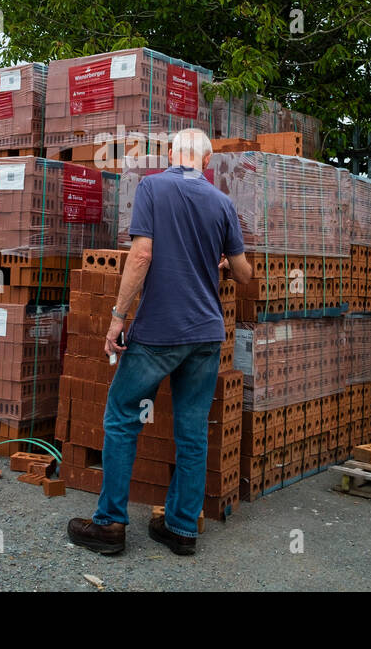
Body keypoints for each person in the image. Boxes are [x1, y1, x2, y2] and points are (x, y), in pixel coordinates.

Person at [67, 127, 253, 556]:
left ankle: (110, 524)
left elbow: (142, 255)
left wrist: (117, 318)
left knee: (121, 416)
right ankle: (181, 529)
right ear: (206, 162)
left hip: (159, 332)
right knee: (192, 432)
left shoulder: (152, 187)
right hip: (206, 334)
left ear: (172, 154)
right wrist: (219, 259)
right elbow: (244, 275)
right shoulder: (223, 203)